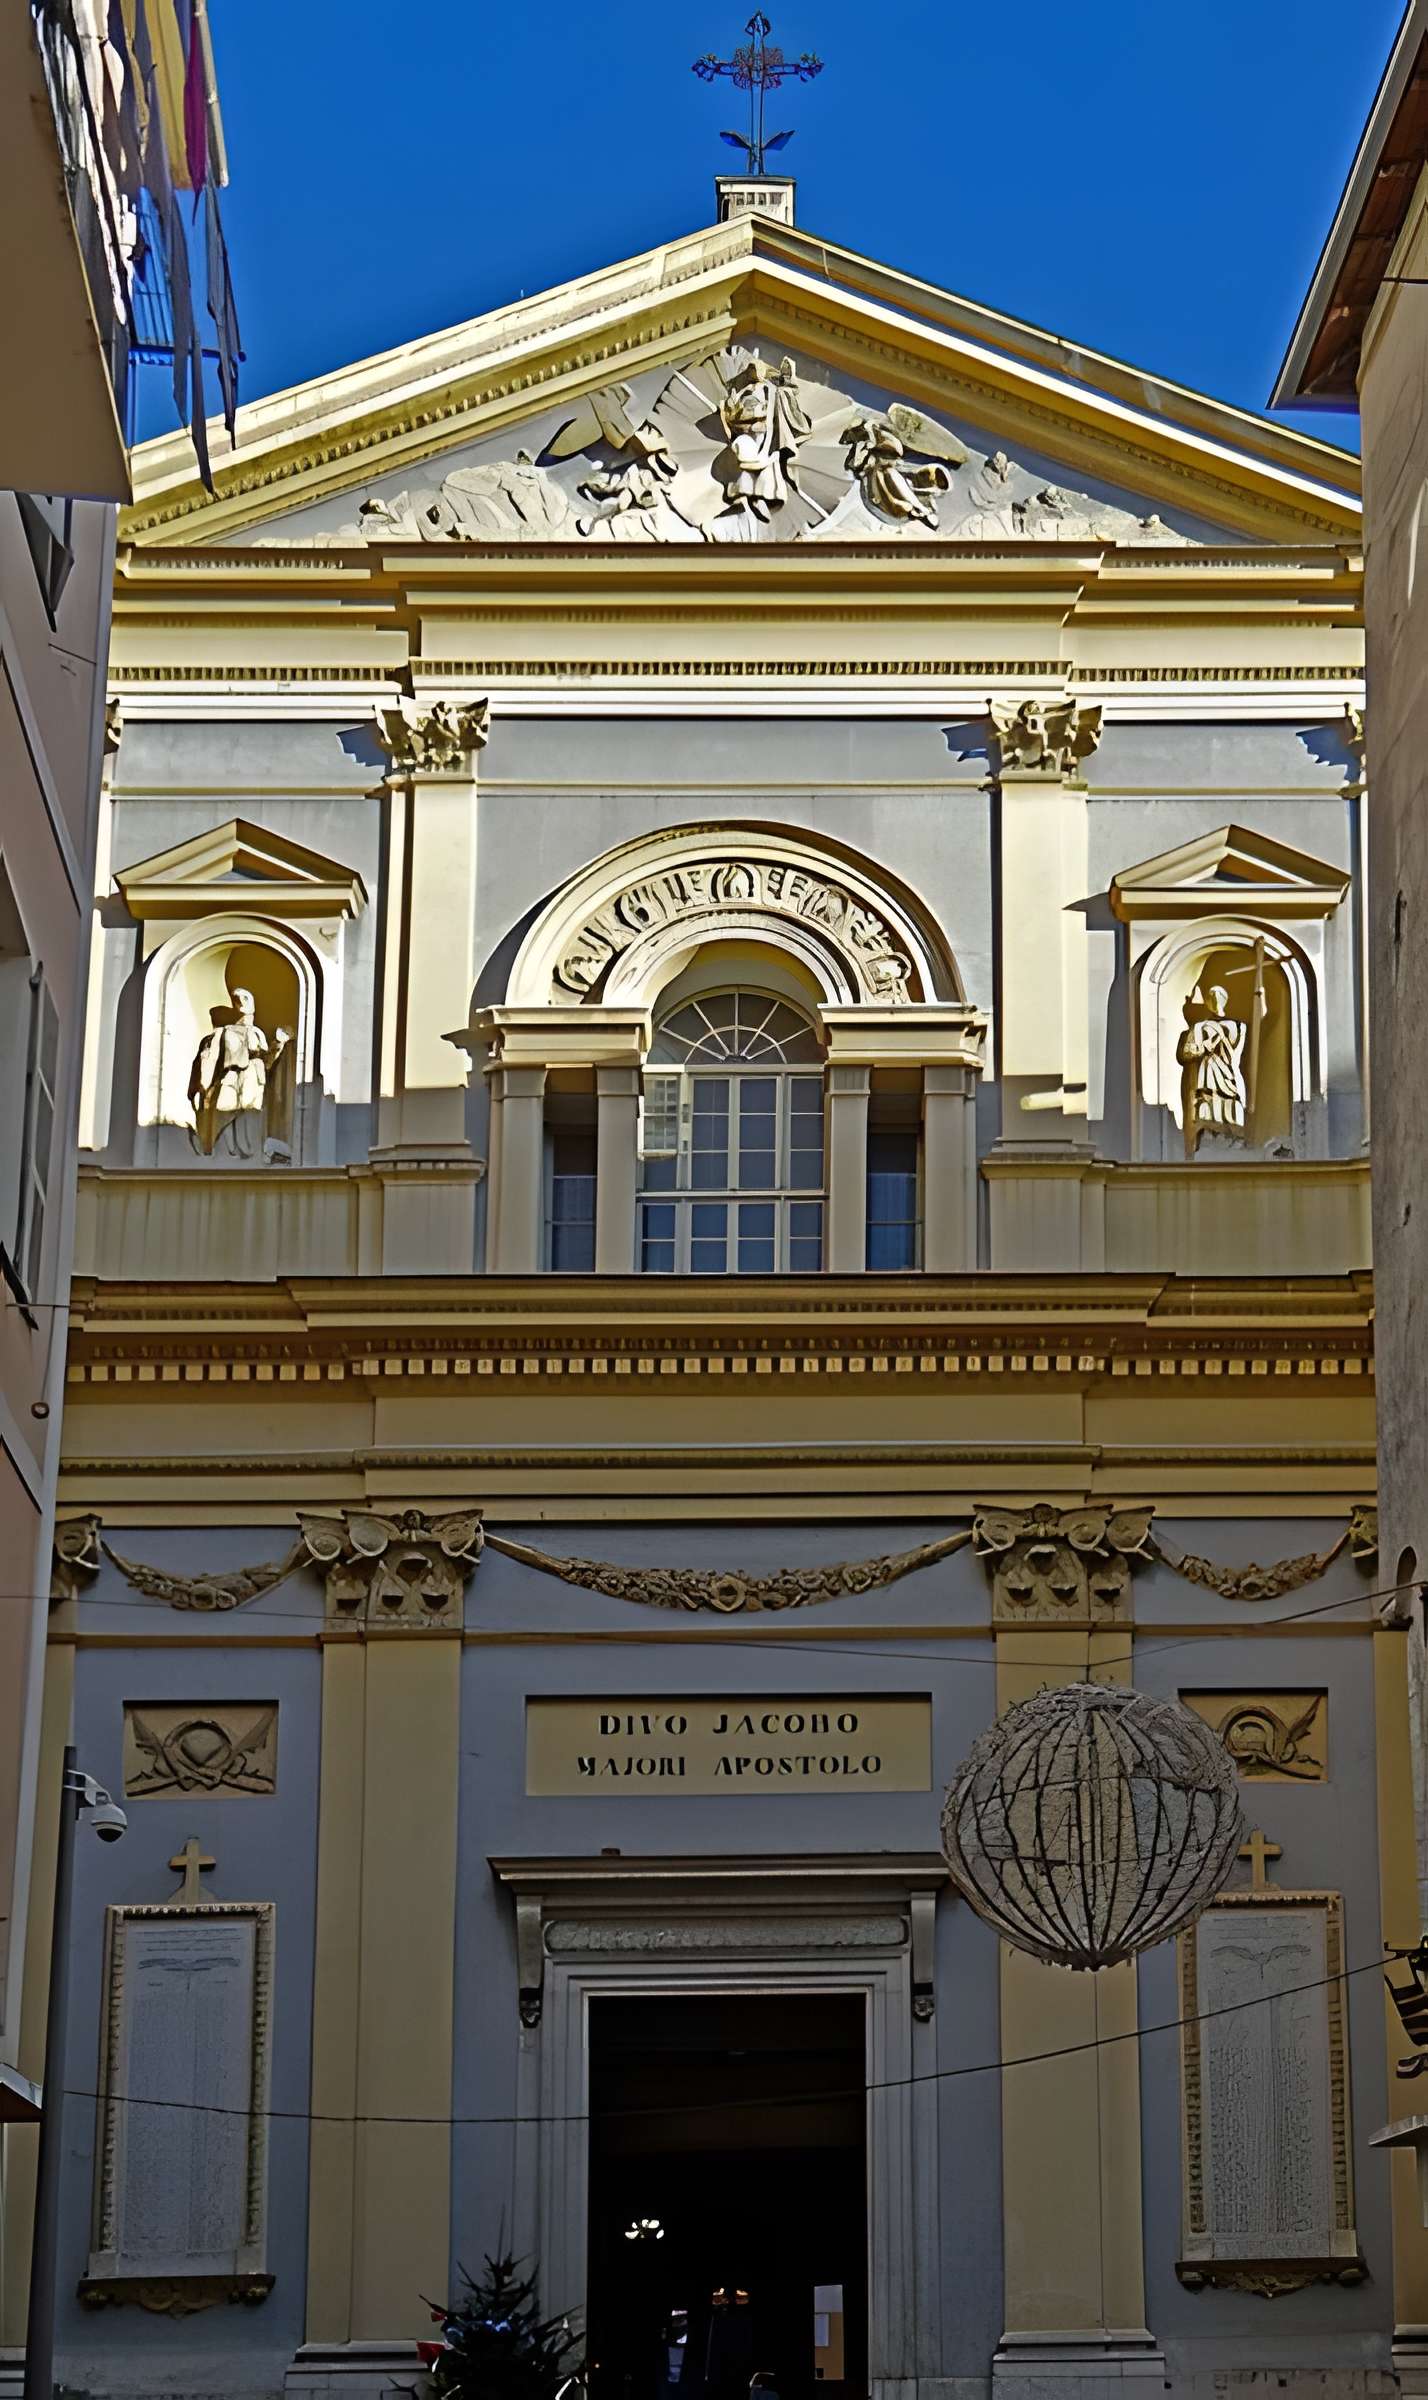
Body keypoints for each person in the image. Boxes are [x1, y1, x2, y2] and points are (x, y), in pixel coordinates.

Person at [1177, 983, 1248, 1149]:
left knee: (1225, 1117)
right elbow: (1186, 1054)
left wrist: (1202, 1047)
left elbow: (1236, 1055)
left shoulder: (1236, 1027)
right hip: (1212, 1081)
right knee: (1210, 1117)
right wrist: (1202, 1048)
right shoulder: (1201, 1027)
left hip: (1224, 1079)